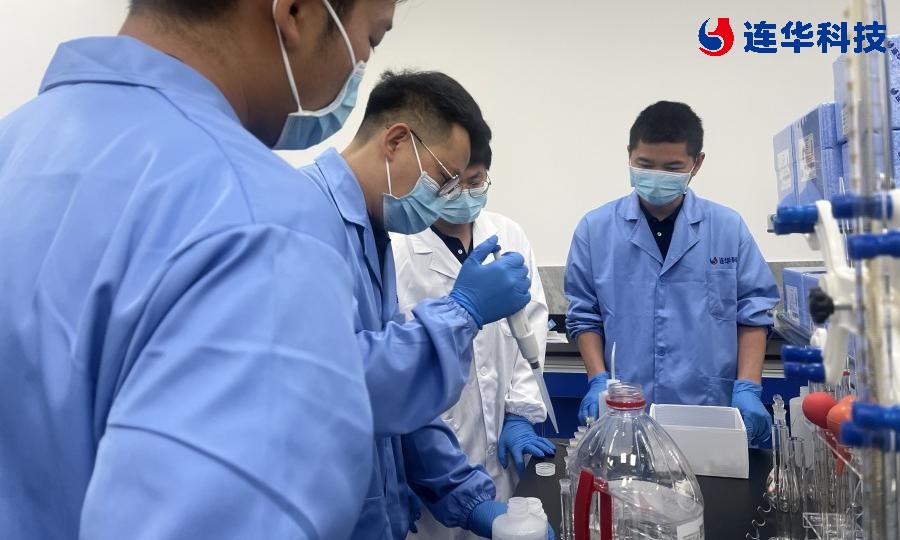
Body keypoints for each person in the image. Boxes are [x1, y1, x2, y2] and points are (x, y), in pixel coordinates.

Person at [0, 1, 400, 538]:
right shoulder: (258, 217)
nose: (359, 67)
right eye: (371, 39)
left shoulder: (17, 143)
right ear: (294, 12)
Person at [296, 70, 542, 539]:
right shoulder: (303, 218)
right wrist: (463, 311)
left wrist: (467, 499)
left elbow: (401, 396)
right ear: (396, 142)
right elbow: (340, 382)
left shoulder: (370, 232)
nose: (448, 198)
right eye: (445, 180)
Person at [565, 101, 779, 447]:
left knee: (712, 480)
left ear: (697, 163)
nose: (656, 176)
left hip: (708, 409)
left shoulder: (727, 227)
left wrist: (748, 387)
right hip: (624, 411)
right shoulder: (595, 230)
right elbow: (584, 315)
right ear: (629, 155)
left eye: (672, 167)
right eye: (645, 164)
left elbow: (753, 311)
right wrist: (597, 380)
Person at [393, 145, 556, 539]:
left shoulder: (509, 234)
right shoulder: (397, 249)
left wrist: (520, 414)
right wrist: (399, 466)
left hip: (502, 460)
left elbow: (530, 328)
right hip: (430, 471)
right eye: (451, 185)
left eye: (475, 181)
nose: (464, 194)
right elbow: (396, 374)